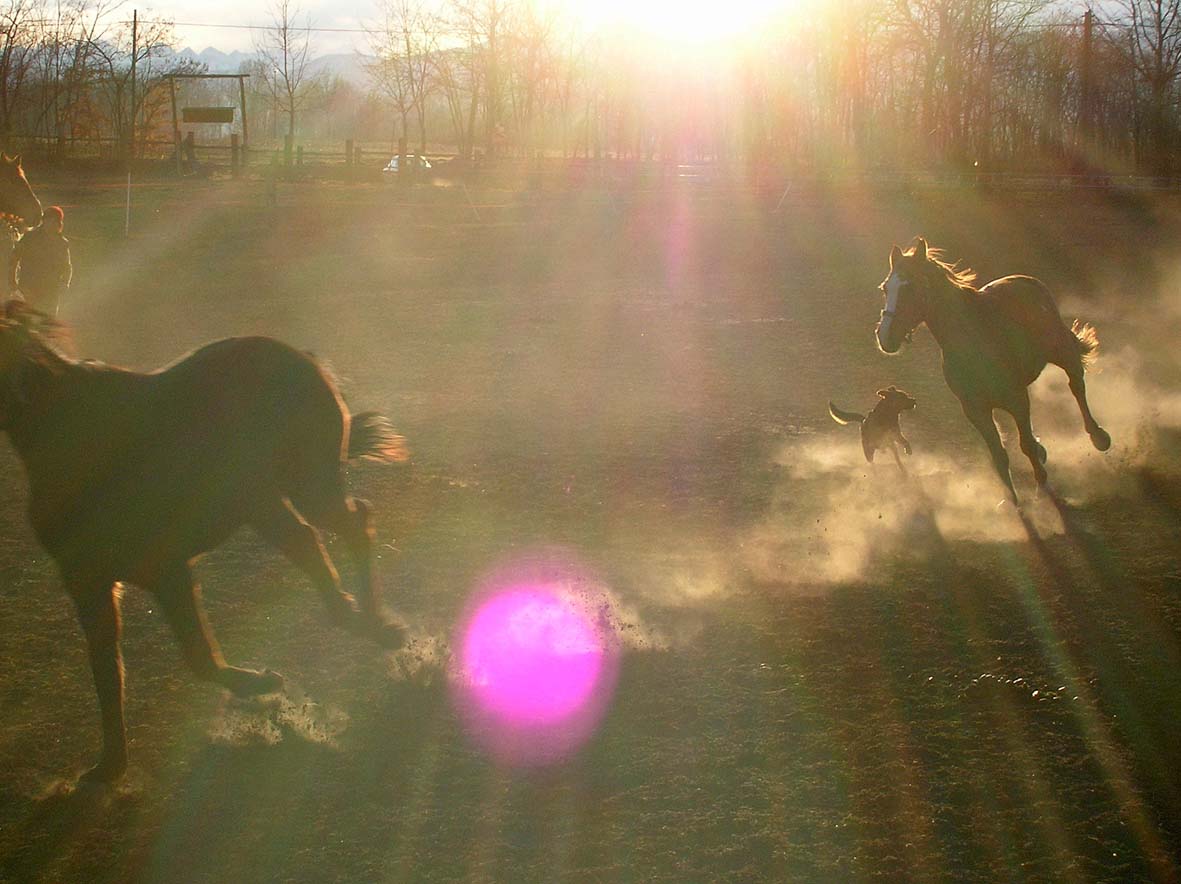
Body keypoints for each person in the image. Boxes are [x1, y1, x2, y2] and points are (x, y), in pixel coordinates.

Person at [10, 205, 72, 316]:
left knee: (47, 323)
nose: (51, 224)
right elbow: (14, 258)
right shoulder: (29, 238)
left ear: (59, 223)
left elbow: (66, 266)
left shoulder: (62, 243)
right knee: (27, 320)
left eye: (54, 221)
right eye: (48, 220)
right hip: (28, 288)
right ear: (44, 221)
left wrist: (65, 283)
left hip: (51, 291)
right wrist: (13, 281)